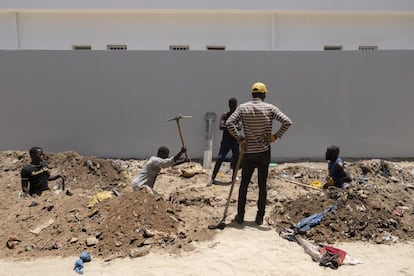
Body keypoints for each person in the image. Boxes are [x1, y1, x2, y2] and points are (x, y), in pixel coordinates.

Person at [226, 82, 292, 225]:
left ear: (252, 94)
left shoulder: (243, 108)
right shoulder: (270, 108)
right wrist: (275, 136)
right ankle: (259, 217)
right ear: (263, 94)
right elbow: (287, 122)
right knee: (262, 185)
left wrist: (240, 138)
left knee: (244, 184)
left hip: (248, 152)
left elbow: (229, 123)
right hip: (264, 152)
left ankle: (240, 216)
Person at [208, 98, 241, 186]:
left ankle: (233, 179)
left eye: (234, 105)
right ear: (229, 105)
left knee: (236, 160)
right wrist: (232, 126)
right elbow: (221, 126)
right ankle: (212, 178)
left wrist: (228, 126)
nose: (232, 107)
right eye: (231, 105)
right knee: (219, 159)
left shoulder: (238, 116)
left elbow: (239, 127)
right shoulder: (225, 114)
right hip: (226, 141)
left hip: (235, 141)